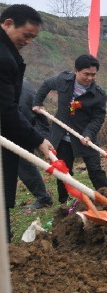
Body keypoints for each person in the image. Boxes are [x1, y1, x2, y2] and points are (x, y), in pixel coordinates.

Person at [1, 4, 53, 240]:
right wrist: (39, 140)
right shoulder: (4, 59)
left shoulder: (8, 54)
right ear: (8, 24)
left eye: (34, 37)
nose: (29, 42)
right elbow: (6, 110)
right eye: (27, 35)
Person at [34, 54, 107, 205]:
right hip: (62, 137)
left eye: (93, 74)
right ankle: (65, 201)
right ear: (76, 70)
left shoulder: (98, 95)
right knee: (63, 171)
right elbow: (46, 84)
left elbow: (98, 118)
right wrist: (38, 102)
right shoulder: (63, 80)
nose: (90, 78)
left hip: (85, 137)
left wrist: (88, 134)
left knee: (95, 170)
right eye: (86, 74)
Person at [18, 79, 54, 209]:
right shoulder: (19, 81)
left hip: (28, 125)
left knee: (23, 162)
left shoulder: (15, 87)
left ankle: (44, 198)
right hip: (32, 123)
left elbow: (21, 113)